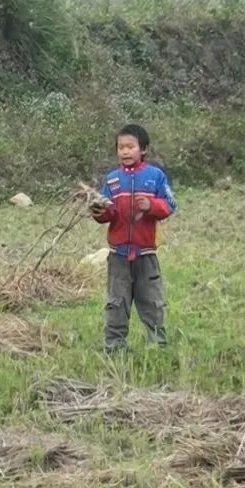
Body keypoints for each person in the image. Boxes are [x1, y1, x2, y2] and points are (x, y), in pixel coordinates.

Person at [90, 124, 177, 352]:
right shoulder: (112, 180)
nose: (125, 151)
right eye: (121, 147)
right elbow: (108, 214)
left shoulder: (155, 176)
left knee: (152, 301)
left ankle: (158, 345)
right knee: (116, 302)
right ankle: (115, 346)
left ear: (143, 149)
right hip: (118, 255)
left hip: (146, 254)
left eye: (130, 147)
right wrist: (99, 211)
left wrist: (151, 206)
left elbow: (170, 205)